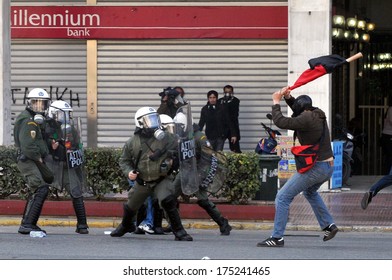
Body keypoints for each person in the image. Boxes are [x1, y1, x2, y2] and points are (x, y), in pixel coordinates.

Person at [257, 87, 338, 247]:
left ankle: (277, 237)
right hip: (328, 166)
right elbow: (299, 109)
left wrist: (276, 102)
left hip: (316, 168)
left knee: (282, 197)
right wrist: (288, 97)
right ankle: (329, 225)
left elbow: (281, 121)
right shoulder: (317, 113)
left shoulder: (305, 119)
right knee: (309, 192)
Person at [110, 107, 192, 241]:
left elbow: (180, 144)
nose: (153, 123)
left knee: (167, 200)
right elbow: (124, 160)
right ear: (140, 123)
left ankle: (179, 231)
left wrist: (183, 147)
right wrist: (129, 172)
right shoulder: (132, 142)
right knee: (131, 205)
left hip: (161, 179)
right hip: (142, 181)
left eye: (155, 119)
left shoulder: (165, 138)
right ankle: (125, 226)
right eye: (149, 120)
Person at [172, 112, 232, 235]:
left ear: (185, 125)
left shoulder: (200, 137)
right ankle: (174, 224)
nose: (176, 129)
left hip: (196, 171)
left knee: (203, 200)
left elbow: (208, 158)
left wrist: (200, 176)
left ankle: (222, 223)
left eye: (179, 126)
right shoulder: (182, 137)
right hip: (184, 171)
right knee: (170, 197)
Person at [44, 100, 89, 234]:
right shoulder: (46, 128)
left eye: (66, 114)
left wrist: (74, 151)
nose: (64, 117)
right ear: (53, 113)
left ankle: (82, 224)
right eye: (60, 114)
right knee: (40, 192)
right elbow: (42, 146)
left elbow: (77, 144)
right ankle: (28, 222)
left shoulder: (70, 129)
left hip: (67, 165)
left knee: (76, 192)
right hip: (51, 164)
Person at [13, 88, 53, 234]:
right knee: (41, 188)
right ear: (30, 103)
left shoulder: (35, 120)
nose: (40, 106)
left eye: (42, 104)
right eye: (36, 103)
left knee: (38, 188)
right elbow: (28, 145)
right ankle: (28, 224)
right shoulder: (28, 120)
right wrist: (38, 157)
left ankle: (27, 223)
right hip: (28, 159)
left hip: (31, 159)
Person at [219, 85, 241, 153]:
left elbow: (234, 116)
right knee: (218, 148)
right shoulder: (220, 101)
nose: (228, 93)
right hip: (222, 128)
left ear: (232, 92)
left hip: (233, 127)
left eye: (229, 92)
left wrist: (234, 133)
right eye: (226, 92)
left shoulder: (235, 101)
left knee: (235, 148)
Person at [381, 106, 392, 175]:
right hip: (389, 135)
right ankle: (387, 173)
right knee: (390, 155)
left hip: (388, 134)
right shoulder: (391, 108)